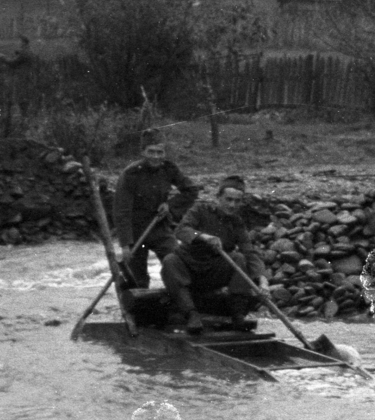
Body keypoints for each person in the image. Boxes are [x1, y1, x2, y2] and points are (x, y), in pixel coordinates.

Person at [160, 176, 270, 334]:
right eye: (228, 199)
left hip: (213, 272)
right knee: (170, 260)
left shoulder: (237, 222)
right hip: (188, 268)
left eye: (237, 201)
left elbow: (250, 252)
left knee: (239, 258)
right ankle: (191, 315)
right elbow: (181, 231)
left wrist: (263, 280)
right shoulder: (199, 210)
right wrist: (203, 237)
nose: (232, 205)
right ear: (218, 198)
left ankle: (238, 316)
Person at [112, 135, 199, 289]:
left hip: (159, 228)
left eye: (160, 152)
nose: (156, 157)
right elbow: (121, 210)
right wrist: (125, 244)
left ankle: (179, 299)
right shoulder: (130, 174)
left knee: (177, 262)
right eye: (151, 152)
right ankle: (138, 308)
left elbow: (191, 190)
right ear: (143, 152)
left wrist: (169, 205)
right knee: (138, 280)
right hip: (135, 232)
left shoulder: (169, 169)